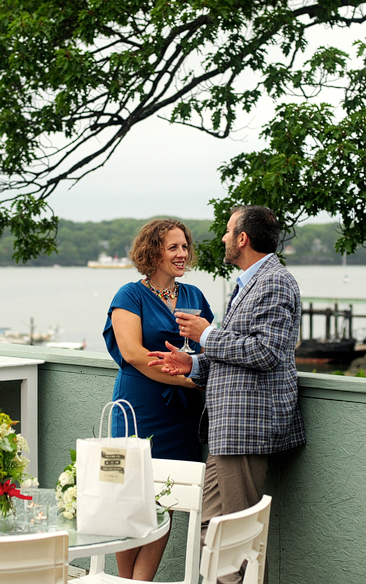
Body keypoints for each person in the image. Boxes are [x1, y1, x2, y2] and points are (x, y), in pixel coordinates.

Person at [149, 205, 306, 584]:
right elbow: (236, 354)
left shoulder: (275, 282)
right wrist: (194, 366)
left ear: (242, 239)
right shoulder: (249, 282)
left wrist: (205, 335)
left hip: (248, 428)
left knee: (236, 539)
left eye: (227, 231)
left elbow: (267, 352)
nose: (221, 238)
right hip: (226, 430)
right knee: (212, 532)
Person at [103, 217, 214, 580]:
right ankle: (124, 582)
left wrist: (193, 374)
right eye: (173, 248)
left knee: (167, 498)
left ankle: (142, 580)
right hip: (140, 408)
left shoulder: (195, 297)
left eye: (184, 247)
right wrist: (187, 381)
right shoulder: (129, 295)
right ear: (154, 252)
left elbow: (210, 352)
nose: (182, 254)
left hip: (182, 417)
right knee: (130, 498)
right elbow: (133, 354)